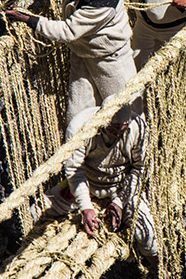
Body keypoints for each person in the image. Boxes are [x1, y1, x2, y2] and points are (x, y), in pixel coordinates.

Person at [6, 0, 136, 126]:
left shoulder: (101, 4)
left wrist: (28, 19)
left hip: (111, 58)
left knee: (124, 115)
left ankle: (128, 152)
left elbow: (67, 31)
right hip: (82, 54)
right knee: (77, 118)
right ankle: (82, 153)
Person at [31, 102, 161, 274]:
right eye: (110, 127)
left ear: (127, 124)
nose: (114, 133)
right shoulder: (80, 126)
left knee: (147, 235)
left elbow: (139, 169)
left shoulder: (138, 128)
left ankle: (158, 268)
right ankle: (34, 255)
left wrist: (120, 202)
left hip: (120, 188)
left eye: (119, 129)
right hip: (86, 183)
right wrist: (86, 207)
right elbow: (74, 171)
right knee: (35, 211)